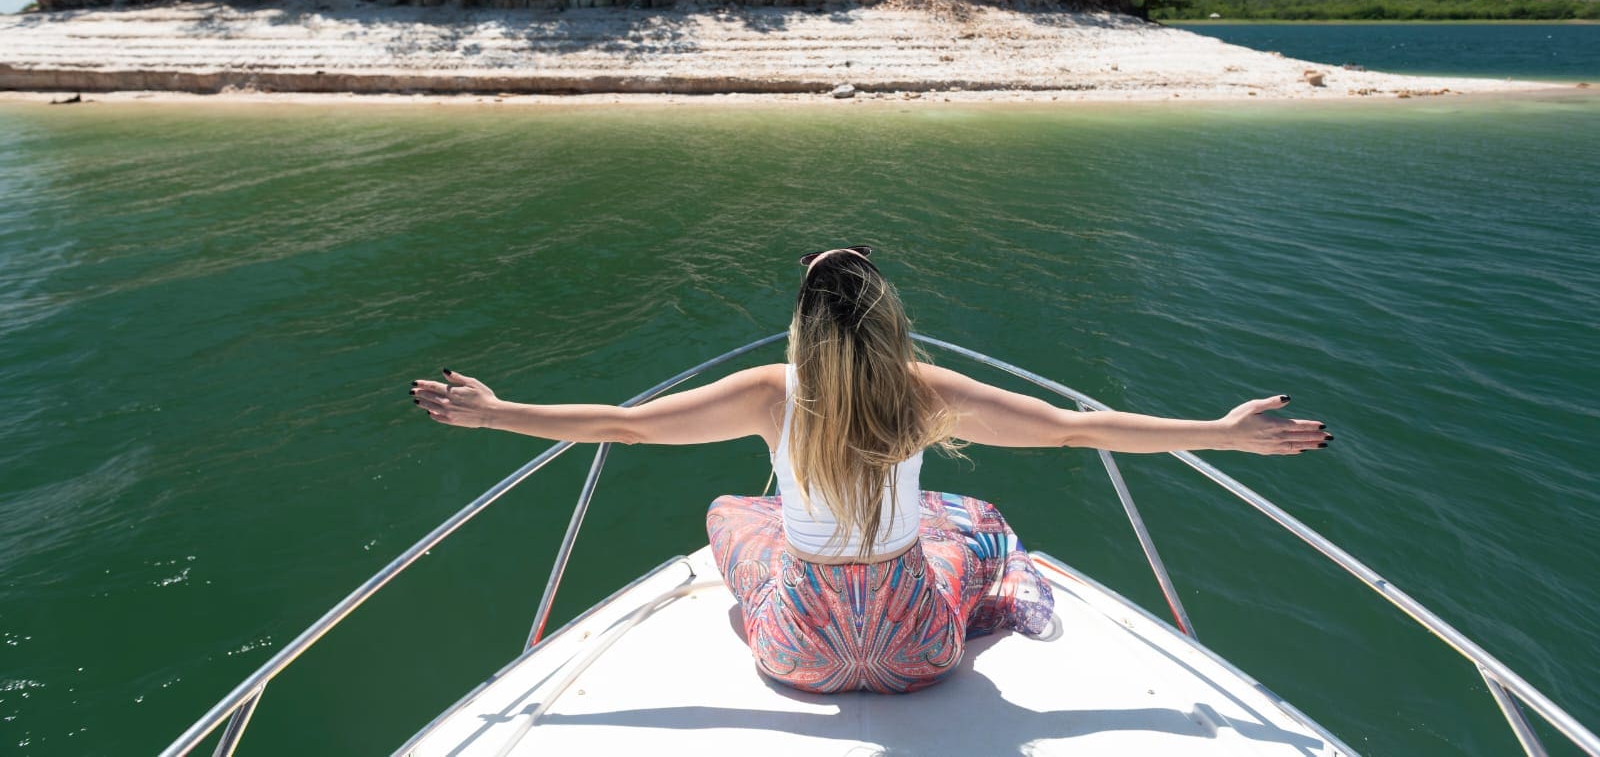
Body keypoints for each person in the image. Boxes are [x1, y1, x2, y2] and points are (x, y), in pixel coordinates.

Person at [409, 246, 1330, 694]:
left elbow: (628, 427)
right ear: (888, 315)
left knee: (733, 512)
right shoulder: (922, 389)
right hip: (920, 653)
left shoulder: (772, 393)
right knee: (974, 519)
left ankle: (798, 597)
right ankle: (1007, 596)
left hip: (798, 653)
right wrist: (1222, 432)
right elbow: (1068, 429)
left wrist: (496, 414)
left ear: (804, 321)